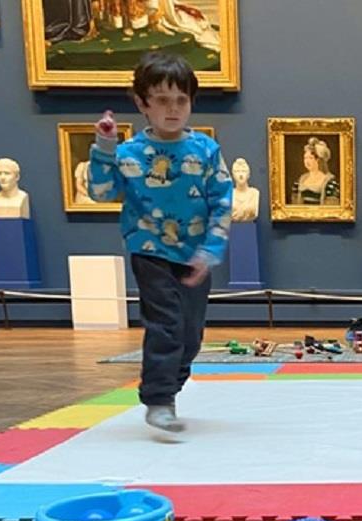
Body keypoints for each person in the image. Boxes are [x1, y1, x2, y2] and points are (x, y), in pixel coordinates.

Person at [88, 51, 232, 433]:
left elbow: (222, 201)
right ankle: (158, 398)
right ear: (142, 103)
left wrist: (210, 250)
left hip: (195, 256)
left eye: (181, 100)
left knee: (191, 335)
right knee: (166, 324)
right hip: (149, 251)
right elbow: (101, 193)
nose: (173, 109)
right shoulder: (129, 154)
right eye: (162, 100)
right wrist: (104, 149)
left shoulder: (205, 151)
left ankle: (170, 387)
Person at [292, 137, 338, 205]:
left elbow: (331, 208)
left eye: (310, 158)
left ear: (318, 160)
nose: (307, 161)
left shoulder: (330, 182)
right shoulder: (299, 181)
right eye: (305, 158)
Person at [230, 157, 259, 222]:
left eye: (243, 171)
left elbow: (254, 214)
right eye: (237, 171)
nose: (241, 175)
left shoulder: (254, 193)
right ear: (233, 175)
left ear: (248, 175)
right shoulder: (229, 194)